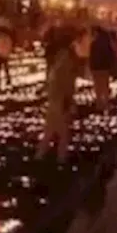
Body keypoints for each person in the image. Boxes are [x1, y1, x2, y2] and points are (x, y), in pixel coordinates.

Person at [36, 32, 79, 164]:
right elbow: (65, 80)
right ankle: (61, 157)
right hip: (60, 98)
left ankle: (41, 154)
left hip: (55, 96)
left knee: (51, 129)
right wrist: (68, 98)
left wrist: (45, 88)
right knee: (62, 131)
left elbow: (54, 77)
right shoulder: (67, 59)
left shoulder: (59, 58)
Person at [88, 24, 115, 111]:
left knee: (98, 86)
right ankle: (106, 102)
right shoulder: (107, 44)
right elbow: (111, 56)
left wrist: (91, 66)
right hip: (104, 68)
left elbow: (92, 57)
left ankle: (99, 103)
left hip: (96, 68)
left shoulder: (94, 44)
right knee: (105, 86)